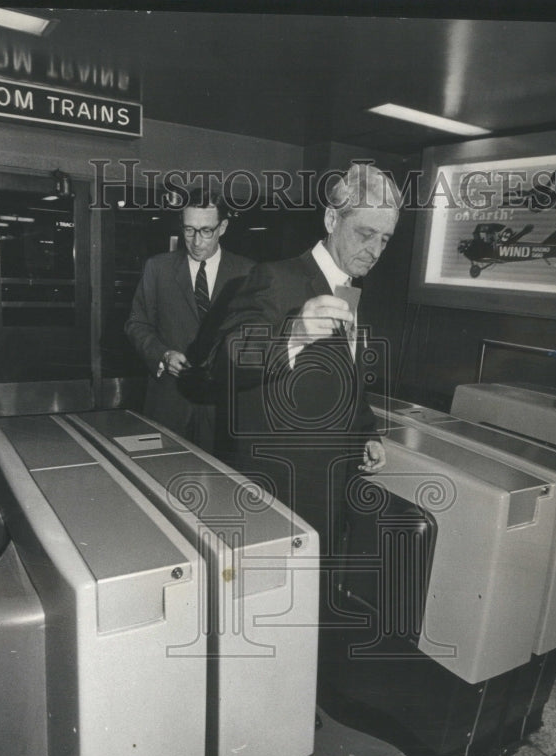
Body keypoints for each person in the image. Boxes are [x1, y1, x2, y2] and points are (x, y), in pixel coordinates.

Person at [215, 162, 401, 556]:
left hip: (334, 482)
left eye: (385, 240)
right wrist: (295, 334)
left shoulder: (351, 287)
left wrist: (365, 431)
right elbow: (229, 356)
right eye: (366, 234)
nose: (375, 251)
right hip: (283, 485)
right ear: (332, 218)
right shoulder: (275, 277)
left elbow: (346, 374)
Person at [125, 187, 254, 449]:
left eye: (206, 230)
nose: (196, 241)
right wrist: (162, 354)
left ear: (223, 227)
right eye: (188, 230)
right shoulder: (157, 268)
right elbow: (137, 324)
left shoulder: (248, 272)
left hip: (223, 407)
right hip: (168, 403)